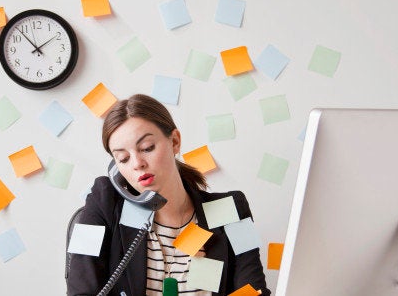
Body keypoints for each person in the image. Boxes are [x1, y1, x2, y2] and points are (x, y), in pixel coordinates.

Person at [67, 94, 270, 296]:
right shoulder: (103, 200)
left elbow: (253, 291)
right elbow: (80, 291)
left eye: (147, 148)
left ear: (174, 141)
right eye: (124, 158)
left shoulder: (230, 208)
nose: (137, 163)